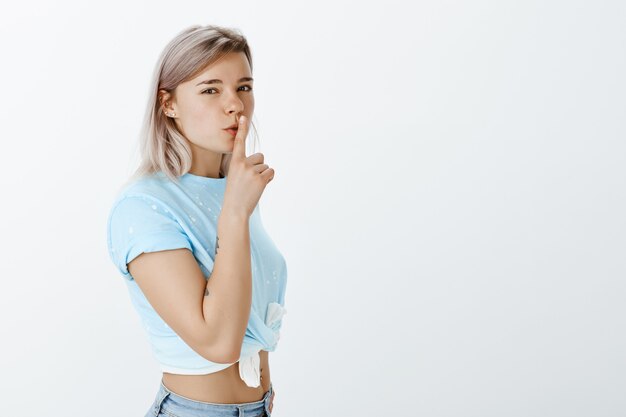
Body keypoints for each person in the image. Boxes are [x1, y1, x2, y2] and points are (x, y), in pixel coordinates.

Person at [106, 24, 288, 417]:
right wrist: (235, 212)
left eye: (243, 87)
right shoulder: (143, 206)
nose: (235, 105)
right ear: (167, 103)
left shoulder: (233, 187)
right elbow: (218, 342)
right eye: (210, 90)